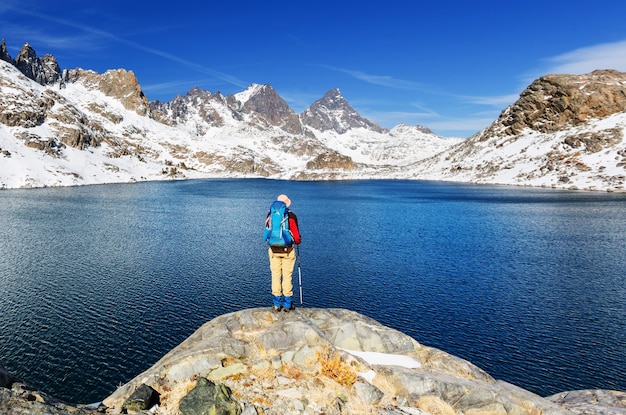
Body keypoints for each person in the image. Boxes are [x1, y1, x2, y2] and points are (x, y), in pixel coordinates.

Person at [265, 194, 301, 312]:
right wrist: (298, 240)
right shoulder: (291, 216)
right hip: (288, 251)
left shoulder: (270, 215)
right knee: (287, 277)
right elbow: (296, 237)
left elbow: (267, 232)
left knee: (275, 276)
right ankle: (287, 305)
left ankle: (276, 304)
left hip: (274, 250)